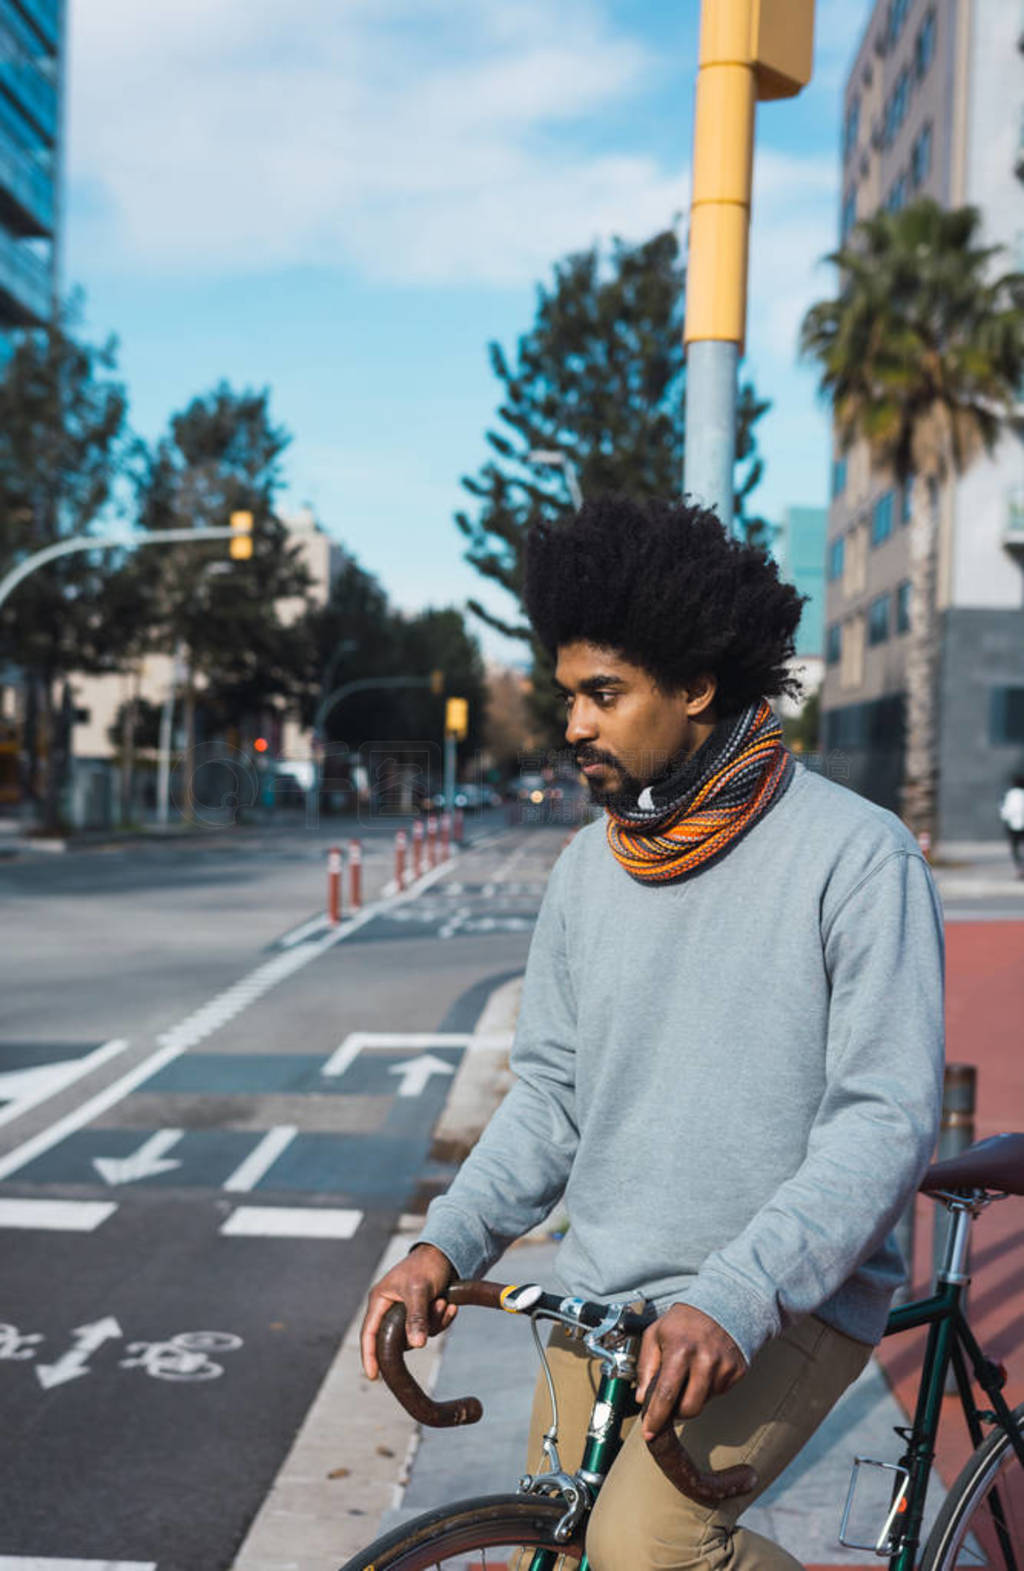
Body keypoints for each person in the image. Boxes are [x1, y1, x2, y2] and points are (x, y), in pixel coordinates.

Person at [361, 496, 945, 1571]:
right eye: (567, 694)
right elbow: (548, 1096)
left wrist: (735, 1294)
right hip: (604, 1286)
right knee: (566, 1545)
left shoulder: (856, 856)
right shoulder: (589, 867)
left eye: (602, 693)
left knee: (643, 1551)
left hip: (779, 1295)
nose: (572, 722)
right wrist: (447, 1241)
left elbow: (884, 1117)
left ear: (694, 687)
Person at [999, 773, 1024, 877]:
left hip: (1012, 825)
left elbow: (1005, 810)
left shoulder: (1009, 795)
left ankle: (1020, 869)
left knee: (1015, 848)